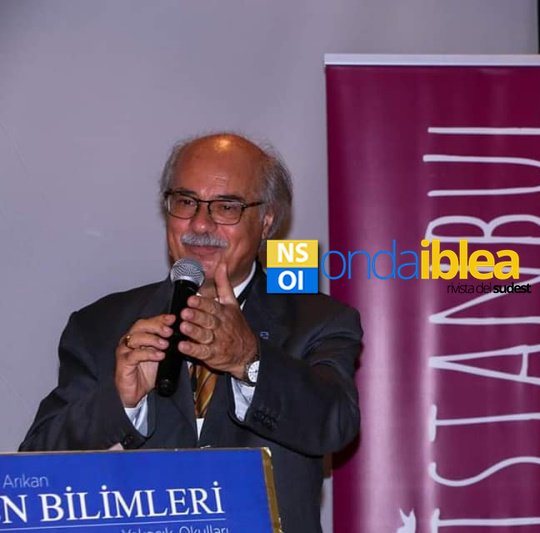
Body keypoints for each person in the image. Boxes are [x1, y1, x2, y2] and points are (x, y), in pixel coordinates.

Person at [19, 132, 362, 533]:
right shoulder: (100, 325)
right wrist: (120, 402)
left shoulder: (317, 320)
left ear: (267, 221)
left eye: (226, 207)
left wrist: (250, 360)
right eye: (185, 202)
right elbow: (34, 472)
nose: (200, 223)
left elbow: (334, 425)